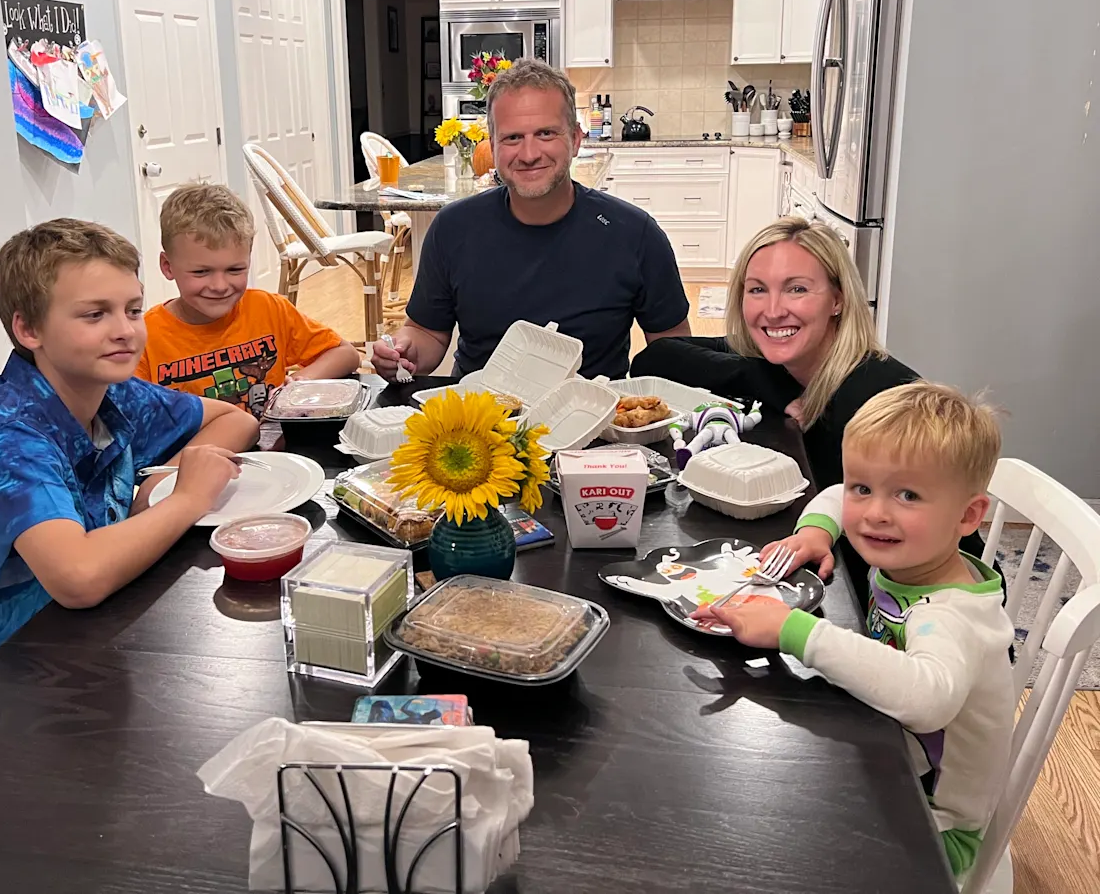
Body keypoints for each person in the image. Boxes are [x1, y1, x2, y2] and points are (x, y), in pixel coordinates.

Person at [0, 219, 261, 693]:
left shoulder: (109, 391)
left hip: (107, 629)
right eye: (94, 315)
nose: (125, 331)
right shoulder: (5, 437)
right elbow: (77, 577)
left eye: (133, 309)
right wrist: (186, 498)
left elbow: (236, 421)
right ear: (29, 329)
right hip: (10, 680)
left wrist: (154, 488)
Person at [698, 382, 1014, 881]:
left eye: (908, 495)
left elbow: (927, 697)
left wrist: (793, 630)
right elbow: (832, 493)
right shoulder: (914, 557)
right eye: (863, 488)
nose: (874, 513)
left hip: (937, 826)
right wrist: (815, 532)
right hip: (888, 752)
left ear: (968, 516)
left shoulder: (950, 615)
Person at [631, 216, 932, 603]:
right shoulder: (777, 362)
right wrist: (760, 378)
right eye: (757, 289)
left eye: (797, 289)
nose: (773, 311)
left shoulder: (880, 400)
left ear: (838, 299)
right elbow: (656, 357)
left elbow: (933, 546)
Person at [371, 58, 691, 382]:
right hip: (479, 419)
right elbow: (428, 333)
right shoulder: (453, 229)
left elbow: (673, 348)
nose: (528, 154)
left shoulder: (635, 235)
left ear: (576, 139)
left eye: (545, 133)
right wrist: (407, 350)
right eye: (512, 138)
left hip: (594, 418)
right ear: (492, 147)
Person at [135, 183, 361, 416]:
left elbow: (346, 354)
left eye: (234, 270)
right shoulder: (143, 337)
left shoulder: (269, 310)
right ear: (167, 266)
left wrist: (298, 382)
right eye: (201, 272)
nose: (220, 286)